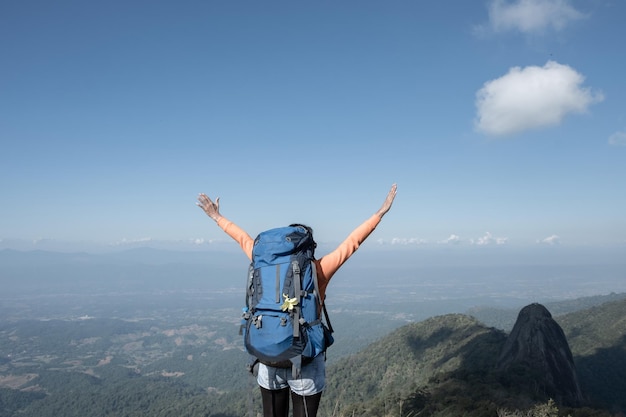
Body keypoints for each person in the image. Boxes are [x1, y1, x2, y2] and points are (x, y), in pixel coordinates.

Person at [196, 184, 397, 417]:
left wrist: (216, 216)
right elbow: (351, 244)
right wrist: (379, 214)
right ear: (307, 249)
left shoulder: (263, 261)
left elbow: (242, 238)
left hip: (268, 356)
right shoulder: (317, 269)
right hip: (305, 361)